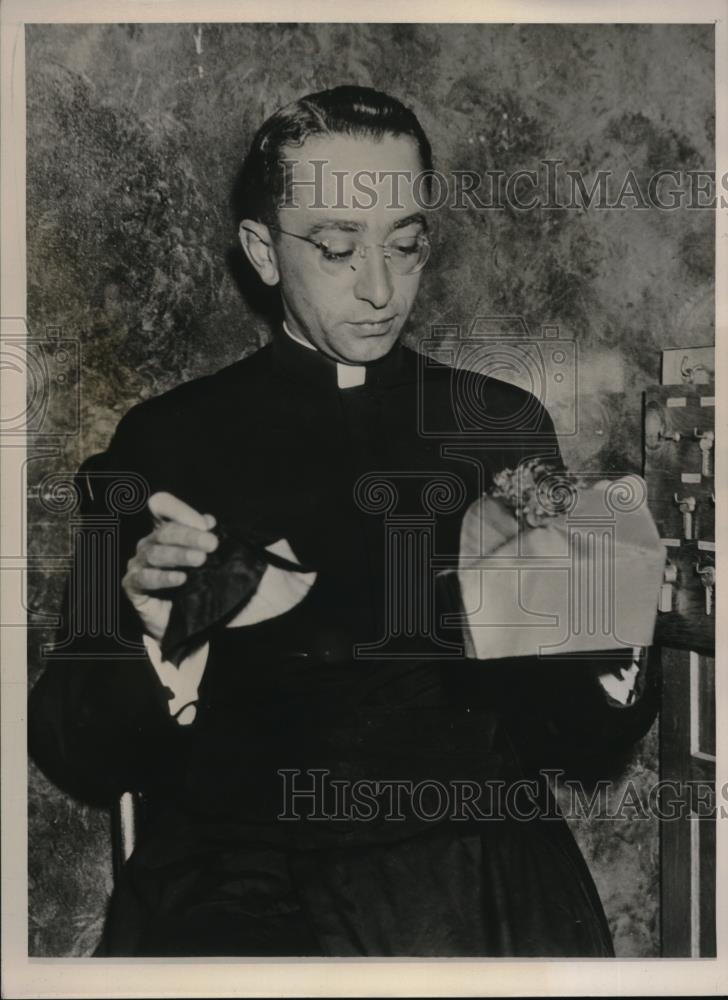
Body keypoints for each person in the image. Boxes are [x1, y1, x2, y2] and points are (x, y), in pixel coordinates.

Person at [28, 85, 658, 957]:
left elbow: (581, 737)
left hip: (472, 875)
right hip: (246, 881)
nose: (378, 287)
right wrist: (151, 638)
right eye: (335, 248)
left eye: (406, 246)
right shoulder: (164, 441)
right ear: (263, 252)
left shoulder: (497, 425)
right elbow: (78, 748)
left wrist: (614, 626)